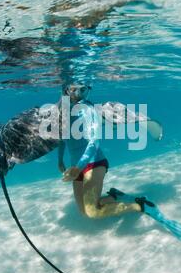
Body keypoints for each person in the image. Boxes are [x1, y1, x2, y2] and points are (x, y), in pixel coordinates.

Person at [58, 83, 145, 218]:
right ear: (66, 91)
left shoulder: (88, 110)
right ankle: (114, 196)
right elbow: (61, 138)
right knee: (84, 211)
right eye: (73, 90)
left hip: (94, 163)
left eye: (83, 90)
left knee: (92, 211)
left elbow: (94, 141)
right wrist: (60, 159)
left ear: (88, 91)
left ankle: (139, 206)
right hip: (76, 167)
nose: (78, 94)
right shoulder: (62, 112)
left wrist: (78, 167)